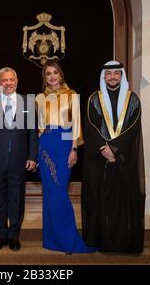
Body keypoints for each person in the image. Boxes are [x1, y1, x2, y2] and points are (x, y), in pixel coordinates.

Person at [82, 60, 145, 254]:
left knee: (123, 200)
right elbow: (91, 125)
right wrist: (104, 148)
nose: (112, 77)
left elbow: (133, 127)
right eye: (108, 74)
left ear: (121, 76)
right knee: (102, 198)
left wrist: (115, 149)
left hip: (123, 158)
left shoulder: (132, 98)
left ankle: (124, 241)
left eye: (116, 74)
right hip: (100, 159)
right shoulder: (94, 98)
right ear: (103, 76)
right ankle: (102, 240)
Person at [36, 61, 96, 254]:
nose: (52, 76)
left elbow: (76, 124)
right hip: (45, 146)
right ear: (44, 77)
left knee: (59, 192)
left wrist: (74, 150)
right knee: (49, 193)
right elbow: (37, 126)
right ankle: (51, 240)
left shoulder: (72, 95)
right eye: (48, 74)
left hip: (64, 146)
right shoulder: (39, 98)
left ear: (61, 75)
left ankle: (67, 238)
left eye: (55, 73)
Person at [0, 67, 38, 251]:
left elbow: (33, 133)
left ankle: (14, 234)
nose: (8, 83)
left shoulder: (28, 102)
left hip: (20, 159)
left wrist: (32, 156)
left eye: (11, 79)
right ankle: (1, 234)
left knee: (16, 197)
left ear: (17, 81)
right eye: (4, 80)